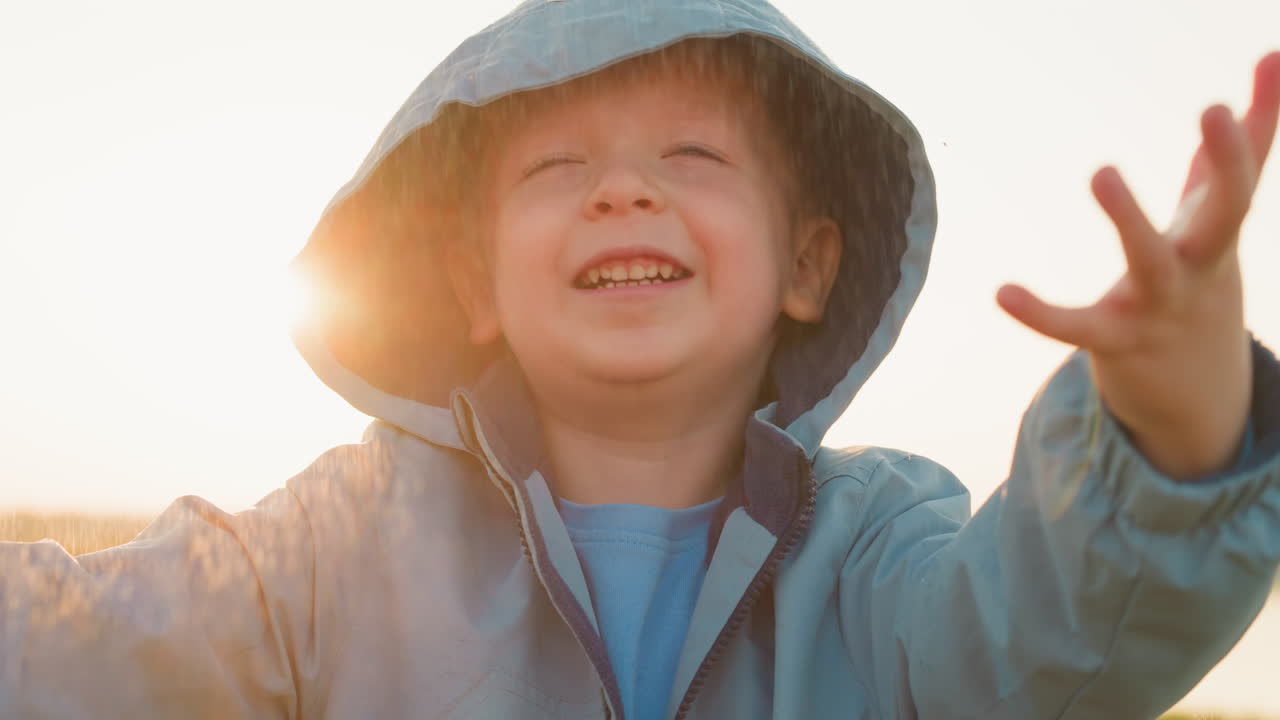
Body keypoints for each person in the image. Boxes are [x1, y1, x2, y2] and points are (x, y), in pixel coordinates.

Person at [2, 1, 1278, 718]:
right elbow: (91, 638)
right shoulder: (341, 548)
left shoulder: (881, 554)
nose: (621, 192)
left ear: (806, 265)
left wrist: (1169, 415)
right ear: (471, 282)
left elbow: (1048, 642)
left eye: (692, 158)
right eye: (558, 168)